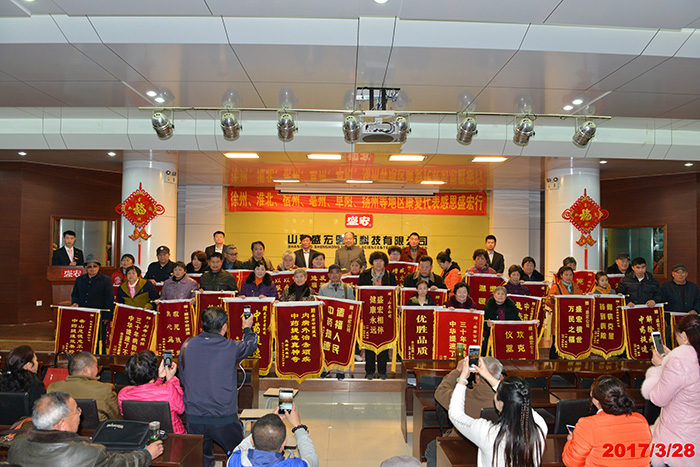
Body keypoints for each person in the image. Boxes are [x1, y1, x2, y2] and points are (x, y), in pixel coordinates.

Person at [179, 306, 257, 467]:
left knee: (202, 460)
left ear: (203, 324)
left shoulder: (187, 345)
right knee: (238, 457)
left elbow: (183, 378)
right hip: (224, 418)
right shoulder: (231, 347)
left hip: (194, 417)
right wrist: (247, 328)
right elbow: (251, 345)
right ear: (224, 327)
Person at [8, 392, 163, 466]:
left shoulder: (16, 447)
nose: (80, 413)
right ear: (61, 424)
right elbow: (122, 464)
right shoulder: (88, 453)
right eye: (77, 410)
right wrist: (147, 453)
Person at [448, 358, 546, 467]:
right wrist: (488, 376)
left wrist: (462, 379)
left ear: (501, 404)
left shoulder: (488, 434)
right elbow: (521, 402)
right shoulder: (540, 428)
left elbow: (455, 415)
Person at [641, 314, 700, 467]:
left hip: (678, 437)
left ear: (685, 336)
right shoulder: (684, 358)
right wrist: (667, 361)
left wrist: (660, 367)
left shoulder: (678, 361)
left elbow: (658, 398)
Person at [425, 356, 504, 467]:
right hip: (496, 448)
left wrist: (458, 371)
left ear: (477, 377)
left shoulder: (463, 396)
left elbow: (441, 392)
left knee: (431, 448)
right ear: (501, 377)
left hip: (460, 445)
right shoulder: (508, 400)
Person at [562, 375, 652, 467]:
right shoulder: (641, 420)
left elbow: (571, 462)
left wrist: (570, 441)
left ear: (596, 401)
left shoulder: (588, 425)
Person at [227, 404, 318, 467]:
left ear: (252, 441)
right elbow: (311, 459)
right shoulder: (295, 465)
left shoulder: (235, 461)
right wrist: (298, 426)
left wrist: (267, 423)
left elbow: (240, 448)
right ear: (283, 444)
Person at [118, 350, 185, 434]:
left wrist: (159, 378)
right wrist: (171, 380)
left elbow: (147, 391)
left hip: (140, 435)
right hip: (171, 436)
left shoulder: (123, 394)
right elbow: (181, 409)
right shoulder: (169, 390)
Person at [47, 351, 121, 421]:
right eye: (96, 367)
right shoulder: (105, 390)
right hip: (97, 430)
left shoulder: (53, 388)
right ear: (87, 370)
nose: (97, 371)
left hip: (62, 429)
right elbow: (117, 419)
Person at [358, 251, 398, 380]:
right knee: (369, 342)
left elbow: (394, 296)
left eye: (381, 261)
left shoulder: (390, 276)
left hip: (384, 314)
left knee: (383, 342)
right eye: (376, 261)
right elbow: (359, 293)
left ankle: (382, 371)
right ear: (372, 262)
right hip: (369, 314)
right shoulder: (364, 275)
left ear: (385, 262)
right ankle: (369, 371)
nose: (378, 263)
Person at [71, 254, 114, 353]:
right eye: (89, 266)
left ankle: (100, 359)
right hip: (83, 315)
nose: (92, 269)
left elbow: (109, 299)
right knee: (84, 338)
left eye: (95, 266)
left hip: (100, 316)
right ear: (85, 268)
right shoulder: (79, 279)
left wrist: (107, 315)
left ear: (99, 267)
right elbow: (75, 295)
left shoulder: (106, 280)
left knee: (99, 340)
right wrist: (75, 302)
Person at [547, 265, 583, 359]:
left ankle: (568, 362)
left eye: (570, 275)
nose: (568, 277)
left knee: (570, 342)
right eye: (566, 275)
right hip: (560, 319)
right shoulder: (556, 287)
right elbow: (548, 301)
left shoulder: (575, 286)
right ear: (561, 276)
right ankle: (552, 363)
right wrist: (553, 300)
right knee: (556, 342)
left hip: (572, 319)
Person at [0, 345, 45, 410]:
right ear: (28, 365)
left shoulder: (3, 380)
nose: (37, 363)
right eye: (36, 360)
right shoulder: (36, 385)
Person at [483, 286, 520, 355]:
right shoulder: (487, 308)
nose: (500, 296)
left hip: (509, 336)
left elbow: (518, 321)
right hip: (493, 337)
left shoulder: (512, 308)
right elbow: (482, 325)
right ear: (494, 295)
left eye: (502, 294)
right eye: (498, 293)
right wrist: (487, 325)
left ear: (506, 296)